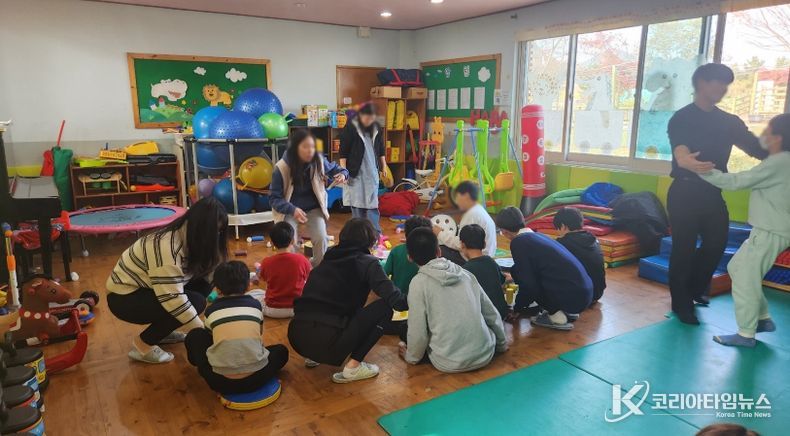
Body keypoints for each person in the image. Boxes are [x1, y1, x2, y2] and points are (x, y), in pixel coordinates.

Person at [667, 63, 767, 325]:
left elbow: (756, 148)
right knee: (683, 249)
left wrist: (781, 151)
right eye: (718, 82)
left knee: (716, 244)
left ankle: (694, 288)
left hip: (712, 192)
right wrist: (685, 160)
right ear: (701, 83)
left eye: (726, 84)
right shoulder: (682, 117)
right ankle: (681, 304)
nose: (723, 89)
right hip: (684, 192)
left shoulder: (729, 122)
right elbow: (680, 149)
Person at [691, 114, 790, 348]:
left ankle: (746, 333)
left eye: (767, 131)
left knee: (745, 277)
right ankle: (762, 319)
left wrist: (701, 170)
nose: (763, 136)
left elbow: (737, 182)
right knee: (736, 268)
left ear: (778, 137)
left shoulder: (780, 161)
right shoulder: (783, 161)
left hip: (770, 230)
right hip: (769, 229)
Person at [106, 197, 227, 364]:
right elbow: (172, 299)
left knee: (204, 284)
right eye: (213, 232)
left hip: (151, 288)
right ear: (199, 228)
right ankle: (142, 346)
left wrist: (230, 302)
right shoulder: (166, 246)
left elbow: (212, 271)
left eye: (219, 232)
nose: (216, 238)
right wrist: (204, 334)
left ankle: (162, 332)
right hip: (124, 297)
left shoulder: (191, 236)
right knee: (196, 302)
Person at [288, 218, 407, 383]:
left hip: (297, 337)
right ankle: (353, 367)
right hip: (329, 342)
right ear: (370, 240)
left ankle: (313, 356)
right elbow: (397, 302)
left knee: (333, 307)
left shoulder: (329, 257)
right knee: (385, 307)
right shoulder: (368, 262)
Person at [400, 228, 507, 372]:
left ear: (409, 258)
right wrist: (502, 344)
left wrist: (411, 357)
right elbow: (490, 312)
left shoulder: (418, 284)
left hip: (449, 361)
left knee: (405, 329)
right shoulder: (465, 273)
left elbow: (418, 329)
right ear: (439, 251)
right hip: (485, 353)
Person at [184, 261, 289, 394]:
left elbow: (211, 339)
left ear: (217, 289)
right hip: (257, 379)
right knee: (281, 351)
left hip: (219, 382)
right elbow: (259, 335)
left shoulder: (211, 311)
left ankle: (203, 364)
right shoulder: (256, 305)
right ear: (248, 285)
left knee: (195, 334)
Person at [496, 207, 593, 330]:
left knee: (527, 280)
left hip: (572, 298)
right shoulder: (538, 236)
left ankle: (556, 317)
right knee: (519, 271)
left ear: (504, 231)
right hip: (584, 293)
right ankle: (565, 310)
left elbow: (529, 284)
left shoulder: (518, 242)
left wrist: (518, 308)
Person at [270, 128, 349, 266]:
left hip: (313, 208)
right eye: (305, 147)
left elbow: (339, 169)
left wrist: (343, 174)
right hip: (290, 210)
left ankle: (316, 269)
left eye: (312, 146)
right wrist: (292, 209)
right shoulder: (281, 168)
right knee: (289, 241)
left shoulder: (318, 160)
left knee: (321, 238)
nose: (310, 151)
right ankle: (294, 269)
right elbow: (274, 199)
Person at [340, 103, 386, 234]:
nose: (369, 121)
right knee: (357, 205)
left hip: (371, 172)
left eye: (371, 118)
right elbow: (343, 152)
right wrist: (344, 171)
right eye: (366, 118)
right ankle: (358, 234)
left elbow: (381, 148)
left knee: (372, 204)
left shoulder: (376, 128)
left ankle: (375, 233)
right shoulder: (351, 127)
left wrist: (384, 165)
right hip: (355, 172)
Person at [257, 222, 312, 318]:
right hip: (298, 309)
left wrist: (259, 269)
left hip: (272, 310)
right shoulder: (302, 260)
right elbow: (310, 277)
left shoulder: (266, 262)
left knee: (255, 293)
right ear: (292, 241)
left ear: (272, 243)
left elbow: (261, 278)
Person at [553, 207, 606, 304]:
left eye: (558, 229)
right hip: (598, 293)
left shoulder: (563, 243)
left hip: (579, 297)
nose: (558, 232)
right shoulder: (593, 239)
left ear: (563, 226)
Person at [435, 181, 498, 263]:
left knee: (439, 249)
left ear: (466, 196)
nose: (456, 201)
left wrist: (440, 233)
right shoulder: (477, 208)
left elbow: (460, 244)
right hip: (486, 255)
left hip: (476, 259)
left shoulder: (471, 214)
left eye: (457, 197)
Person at [460, 224, 508, 319]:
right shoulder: (491, 262)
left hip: (485, 318)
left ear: (462, 245)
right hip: (501, 313)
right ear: (484, 244)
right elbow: (502, 280)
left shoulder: (465, 270)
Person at [383, 215, 433, 296]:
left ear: (406, 233)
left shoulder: (396, 250)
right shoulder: (431, 254)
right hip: (420, 298)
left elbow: (384, 274)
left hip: (397, 296)